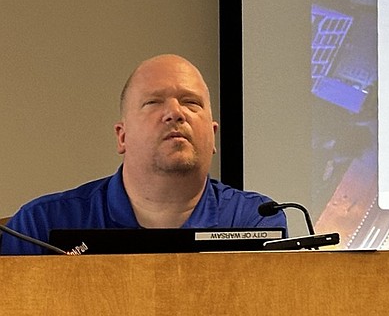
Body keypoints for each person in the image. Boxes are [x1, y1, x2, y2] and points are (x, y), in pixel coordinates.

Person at [0, 54, 286, 255]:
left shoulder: (255, 219)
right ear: (122, 136)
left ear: (213, 135)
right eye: (153, 102)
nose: (175, 113)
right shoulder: (41, 225)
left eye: (191, 103)